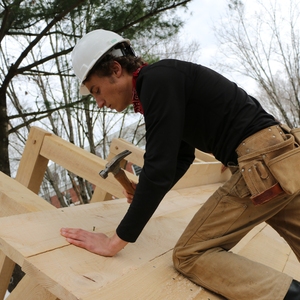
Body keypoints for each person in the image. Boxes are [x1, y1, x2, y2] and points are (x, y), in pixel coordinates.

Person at [60, 29, 300, 299]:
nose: (99, 102)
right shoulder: (165, 81)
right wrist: (145, 188)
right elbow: (181, 157)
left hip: (260, 165)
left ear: (116, 69)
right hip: (282, 158)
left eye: (96, 90)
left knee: (190, 254)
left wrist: (115, 241)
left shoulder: (156, 81)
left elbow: (159, 166)